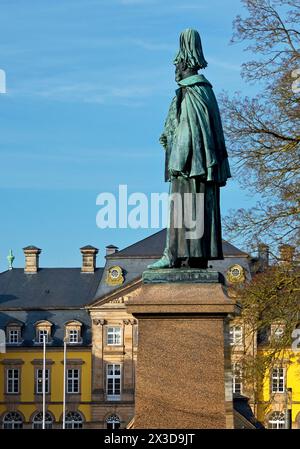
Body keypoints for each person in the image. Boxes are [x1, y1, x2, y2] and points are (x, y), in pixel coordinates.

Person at [148, 28, 231, 270]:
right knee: (191, 210)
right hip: (197, 167)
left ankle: (176, 256)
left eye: (177, 64)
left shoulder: (193, 92)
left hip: (188, 167)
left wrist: (176, 161)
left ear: (186, 63)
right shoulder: (203, 92)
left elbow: (189, 132)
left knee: (184, 208)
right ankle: (191, 257)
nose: (175, 69)